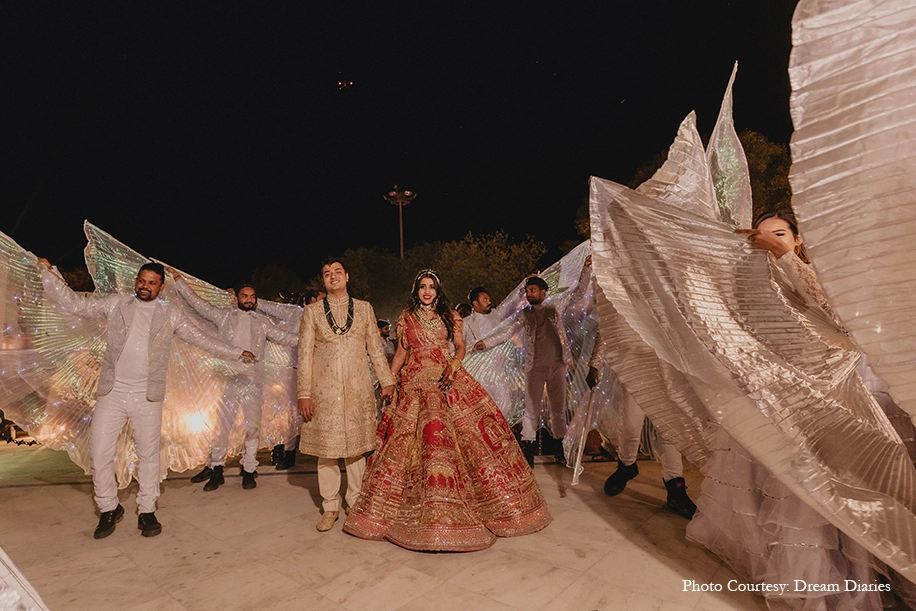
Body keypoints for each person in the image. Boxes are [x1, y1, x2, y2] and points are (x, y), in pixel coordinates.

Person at [37, 259, 253, 538]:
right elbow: (75, 304)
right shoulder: (117, 304)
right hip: (112, 392)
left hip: (147, 396)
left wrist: (236, 352)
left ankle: (147, 510)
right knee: (99, 452)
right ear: (135, 282)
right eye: (142, 281)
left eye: (152, 283)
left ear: (161, 287)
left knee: (149, 455)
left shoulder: (171, 314)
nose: (145, 286)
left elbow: (201, 339)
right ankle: (108, 508)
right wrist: (51, 273)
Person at [343, 270, 551, 551]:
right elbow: (402, 352)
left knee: (470, 439)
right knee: (412, 443)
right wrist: (389, 381)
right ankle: (413, 513)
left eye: (431, 287)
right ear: (416, 290)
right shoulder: (407, 317)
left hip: (446, 377)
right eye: (422, 287)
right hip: (415, 381)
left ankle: (481, 507)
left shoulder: (450, 315)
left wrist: (454, 365)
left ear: (438, 290)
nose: (427, 291)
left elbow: (461, 346)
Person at [171, 272, 298, 491]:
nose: (249, 299)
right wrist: (179, 282)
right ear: (236, 298)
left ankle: (249, 469)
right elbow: (197, 304)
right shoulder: (224, 317)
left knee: (253, 428)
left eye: (252, 296)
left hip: (253, 382)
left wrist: (314, 336)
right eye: (245, 296)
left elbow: (285, 338)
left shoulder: (262, 323)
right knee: (222, 428)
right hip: (228, 380)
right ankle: (216, 468)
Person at [297, 259, 396, 532]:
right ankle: (330, 507)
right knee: (326, 452)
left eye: (337, 272)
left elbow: (375, 349)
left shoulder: (364, 309)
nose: (333, 276)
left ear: (347, 276)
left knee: (355, 450)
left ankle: (355, 502)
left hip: (357, 388)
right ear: (323, 280)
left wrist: (387, 381)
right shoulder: (313, 312)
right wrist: (304, 393)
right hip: (323, 391)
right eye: (327, 273)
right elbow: (304, 355)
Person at [474, 261, 590, 467]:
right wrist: (486, 342)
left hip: (557, 366)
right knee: (531, 410)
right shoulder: (524, 314)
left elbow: (578, 293)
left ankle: (559, 447)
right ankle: (528, 448)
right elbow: (506, 330)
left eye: (533, 290)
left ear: (543, 292)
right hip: (534, 368)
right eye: (527, 291)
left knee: (558, 409)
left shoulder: (555, 306)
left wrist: (586, 270)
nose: (529, 294)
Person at [586, 343, 697, 518]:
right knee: (630, 425)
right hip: (634, 368)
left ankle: (675, 486)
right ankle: (627, 466)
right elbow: (607, 323)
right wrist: (595, 364)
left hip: (666, 367)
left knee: (669, 431)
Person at [265, 287, 327, 470]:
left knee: (320, 412)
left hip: (319, 373)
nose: (325, 303)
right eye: (321, 299)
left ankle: (325, 454)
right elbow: (266, 307)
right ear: (310, 301)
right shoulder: (293, 312)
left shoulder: (326, 319)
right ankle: (287, 453)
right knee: (289, 413)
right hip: (293, 371)